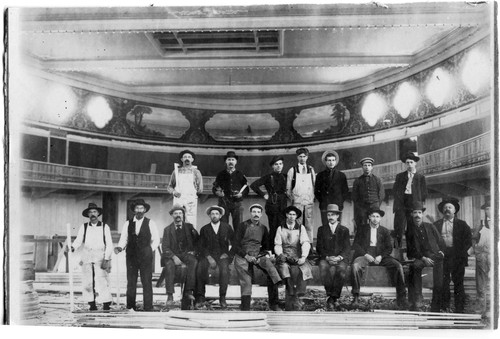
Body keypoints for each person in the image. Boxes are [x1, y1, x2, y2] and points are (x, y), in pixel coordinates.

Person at [350, 208, 407, 308]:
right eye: (373, 216)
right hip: (365, 255)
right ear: (369, 217)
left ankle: (402, 298)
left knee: (398, 266)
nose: (375, 219)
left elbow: (389, 248)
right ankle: (355, 297)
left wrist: (381, 256)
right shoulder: (362, 229)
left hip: (380, 256)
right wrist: (365, 254)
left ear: (380, 218)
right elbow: (356, 245)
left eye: (377, 217)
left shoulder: (385, 231)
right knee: (355, 266)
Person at [233, 204, 282, 311]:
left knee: (271, 271)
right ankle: (245, 306)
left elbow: (266, 246)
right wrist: (246, 256)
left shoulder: (263, 228)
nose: (256, 214)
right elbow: (235, 245)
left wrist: (260, 256)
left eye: (258, 212)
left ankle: (274, 304)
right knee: (246, 280)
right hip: (243, 255)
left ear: (261, 214)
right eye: (254, 212)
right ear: (250, 213)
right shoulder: (242, 226)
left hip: (257, 255)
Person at [115, 199, 160, 311]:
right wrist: (120, 247)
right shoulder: (128, 223)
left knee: (146, 281)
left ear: (145, 210)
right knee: (131, 281)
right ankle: (130, 306)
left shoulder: (150, 222)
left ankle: (148, 307)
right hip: (131, 256)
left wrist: (150, 250)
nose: (139, 210)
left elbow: (156, 239)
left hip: (146, 256)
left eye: (141, 208)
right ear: (134, 210)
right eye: (137, 208)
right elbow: (124, 238)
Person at [67, 203, 113, 311]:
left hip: (100, 256)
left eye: (94, 212)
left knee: (102, 280)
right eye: (90, 212)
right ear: (88, 214)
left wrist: (106, 259)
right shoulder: (84, 227)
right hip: (87, 256)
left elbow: (109, 244)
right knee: (88, 281)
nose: (93, 214)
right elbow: (78, 240)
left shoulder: (104, 226)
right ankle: (92, 304)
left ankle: (106, 304)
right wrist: (72, 247)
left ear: (98, 214)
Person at [433, 198, 472, 313]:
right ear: (442, 211)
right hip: (443, 256)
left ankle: (459, 308)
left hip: (457, 257)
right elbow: (432, 241)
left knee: (458, 282)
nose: (447, 209)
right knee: (444, 282)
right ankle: (445, 307)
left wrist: (462, 253)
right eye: (445, 208)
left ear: (455, 210)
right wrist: (437, 252)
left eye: (450, 207)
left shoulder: (462, 224)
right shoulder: (436, 225)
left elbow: (468, 241)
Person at [406, 201, 445, 312]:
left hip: (435, 256)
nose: (417, 215)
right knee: (414, 267)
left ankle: (437, 302)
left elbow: (440, 241)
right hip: (421, 257)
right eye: (415, 213)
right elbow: (411, 250)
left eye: (419, 212)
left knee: (440, 274)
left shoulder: (430, 226)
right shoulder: (409, 230)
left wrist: (441, 252)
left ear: (422, 214)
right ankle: (417, 298)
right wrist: (423, 258)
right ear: (411, 215)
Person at [275, 206, 313, 311]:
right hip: (284, 257)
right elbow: (277, 244)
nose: (292, 217)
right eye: (290, 214)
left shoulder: (301, 228)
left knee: (305, 269)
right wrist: (280, 254)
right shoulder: (280, 228)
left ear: (296, 216)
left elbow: (305, 242)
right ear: (286, 215)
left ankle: (299, 296)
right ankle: (291, 291)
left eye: (294, 215)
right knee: (284, 268)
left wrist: (303, 257)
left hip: (297, 256)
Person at [195, 206, 234, 309]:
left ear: (220, 215)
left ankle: (222, 297)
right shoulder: (204, 229)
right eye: (212, 214)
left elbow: (235, 243)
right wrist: (208, 257)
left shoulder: (227, 227)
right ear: (209, 216)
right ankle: (200, 297)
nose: (215, 216)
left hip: (222, 256)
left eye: (217, 214)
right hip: (208, 255)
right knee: (200, 269)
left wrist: (228, 254)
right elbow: (201, 246)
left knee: (225, 271)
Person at [161, 204, 199, 307]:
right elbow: (165, 247)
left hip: (186, 254)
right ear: (172, 215)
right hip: (172, 255)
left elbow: (197, 241)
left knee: (193, 261)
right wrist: (173, 257)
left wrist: (194, 251)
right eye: (175, 213)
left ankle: (188, 291)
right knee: (169, 266)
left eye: (180, 213)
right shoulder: (167, 230)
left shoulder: (189, 227)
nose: (178, 215)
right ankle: (170, 295)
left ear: (183, 215)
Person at [315, 204, 351, 310]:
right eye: (328, 215)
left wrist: (339, 258)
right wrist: (327, 257)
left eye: (333, 215)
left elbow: (347, 248)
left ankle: (332, 298)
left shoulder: (344, 230)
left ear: (338, 216)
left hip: (340, 258)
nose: (330, 217)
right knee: (323, 267)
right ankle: (331, 295)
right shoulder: (321, 229)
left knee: (341, 270)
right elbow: (319, 247)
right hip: (326, 258)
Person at [251, 155, 288, 247]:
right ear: (273, 166)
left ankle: (280, 248)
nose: (279, 166)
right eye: (276, 164)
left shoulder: (285, 176)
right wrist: (263, 194)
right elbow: (253, 185)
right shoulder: (268, 177)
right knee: (273, 227)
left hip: (283, 204)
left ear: (283, 165)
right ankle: (271, 248)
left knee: (282, 226)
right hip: (272, 204)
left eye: (280, 164)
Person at [392, 151, 427, 248]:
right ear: (405, 164)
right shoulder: (400, 176)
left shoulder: (420, 177)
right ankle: (397, 252)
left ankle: (413, 252)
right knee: (399, 228)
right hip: (402, 204)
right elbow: (395, 190)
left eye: (411, 162)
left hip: (414, 204)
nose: (409, 164)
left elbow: (424, 193)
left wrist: (418, 203)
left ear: (415, 163)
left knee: (413, 228)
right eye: (407, 163)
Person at [212, 151, 249, 231]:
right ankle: (226, 243)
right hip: (223, 202)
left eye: (232, 160)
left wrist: (241, 195)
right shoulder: (221, 174)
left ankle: (237, 243)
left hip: (237, 203)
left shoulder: (240, 174)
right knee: (223, 225)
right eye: (229, 160)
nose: (231, 161)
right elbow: (214, 188)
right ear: (226, 162)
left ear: (236, 162)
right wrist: (218, 192)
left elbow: (246, 189)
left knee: (238, 225)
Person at [286, 147, 316, 244]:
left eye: (304, 156)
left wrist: (312, 197)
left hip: (309, 202)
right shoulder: (292, 170)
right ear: (297, 157)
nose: (302, 158)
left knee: (309, 225)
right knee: (297, 224)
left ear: (307, 157)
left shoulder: (311, 170)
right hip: (297, 203)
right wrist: (293, 200)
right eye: (300, 156)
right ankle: (296, 245)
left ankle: (309, 246)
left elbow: (314, 185)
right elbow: (288, 189)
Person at [167, 150, 203, 226]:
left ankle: (192, 237)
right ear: (182, 159)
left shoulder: (196, 172)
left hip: (191, 198)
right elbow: (169, 187)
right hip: (178, 197)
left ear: (192, 159)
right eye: (185, 157)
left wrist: (195, 194)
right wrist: (174, 192)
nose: (187, 158)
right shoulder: (176, 171)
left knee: (191, 219)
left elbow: (200, 189)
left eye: (189, 157)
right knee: (177, 217)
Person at [314, 150, 349, 226]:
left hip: (337, 205)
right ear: (325, 162)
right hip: (325, 205)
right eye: (329, 160)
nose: (331, 162)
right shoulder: (320, 175)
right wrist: (323, 200)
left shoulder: (341, 175)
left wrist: (339, 201)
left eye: (333, 160)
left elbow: (345, 191)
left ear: (336, 161)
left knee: (337, 227)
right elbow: (316, 191)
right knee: (325, 226)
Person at [470, 198, 492, 317]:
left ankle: (494, 309)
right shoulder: (481, 223)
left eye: (492, 208)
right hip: (482, 256)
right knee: (481, 284)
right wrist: (477, 249)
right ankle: (481, 309)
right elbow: (473, 239)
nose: (489, 211)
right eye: (487, 209)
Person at [351, 157, 385, 233]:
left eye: (369, 165)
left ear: (372, 167)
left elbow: (382, 194)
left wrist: (376, 204)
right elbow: (354, 196)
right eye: (365, 165)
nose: (367, 167)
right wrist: (359, 206)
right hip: (362, 207)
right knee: (362, 225)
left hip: (374, 206)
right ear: (362, 167)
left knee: (375, 224)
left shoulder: (377, 180)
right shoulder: (357, 181)